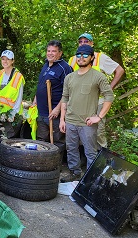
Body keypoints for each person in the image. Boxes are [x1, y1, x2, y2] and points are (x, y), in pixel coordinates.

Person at [59, 45, 114, 182]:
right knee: (71, 149)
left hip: (87, 123)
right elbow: (65, 98)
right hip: (70, 120)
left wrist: (99, 117)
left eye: (85, 55)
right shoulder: (69, 77)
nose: (81, 58)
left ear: (92, 58)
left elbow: (109, 96)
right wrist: (62, 119)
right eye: (78, 55)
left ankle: (90, 180)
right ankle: (75, 172)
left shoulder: (98, 76)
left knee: (90, 152)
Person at [68, 33, 125, 148]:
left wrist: (109, 88)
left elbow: (119, 70)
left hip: (96, 102)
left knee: (98, 131)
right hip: (77, 102)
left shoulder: (100, 57)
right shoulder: (73, 59)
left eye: (86, 41)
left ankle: (100, 160)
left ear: (92, 43)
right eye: (80, 42)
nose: (83, 43)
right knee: (79, 130)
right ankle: (85, 159)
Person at [33, 40, 73, 147]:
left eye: (54, 51)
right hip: (42, 112)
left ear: (60, 53)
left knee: (57, 142)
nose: (50, 53)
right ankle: (43, 163)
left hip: (54, 113)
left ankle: (56, 163)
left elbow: (68, 92)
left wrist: (57, 109)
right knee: (41, 140)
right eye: (48, 50)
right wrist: (35, 100)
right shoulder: (46, 65)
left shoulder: (65, 68)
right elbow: (41, 85)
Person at [0, 50, 25, 143]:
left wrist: (13, 115)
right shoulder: (0, 73)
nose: (5, 61)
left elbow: (19, 98)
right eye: (3, 59)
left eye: (8, 59)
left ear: (12, 61)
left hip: (11, 115)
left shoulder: (18, 77)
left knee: (9, 140)